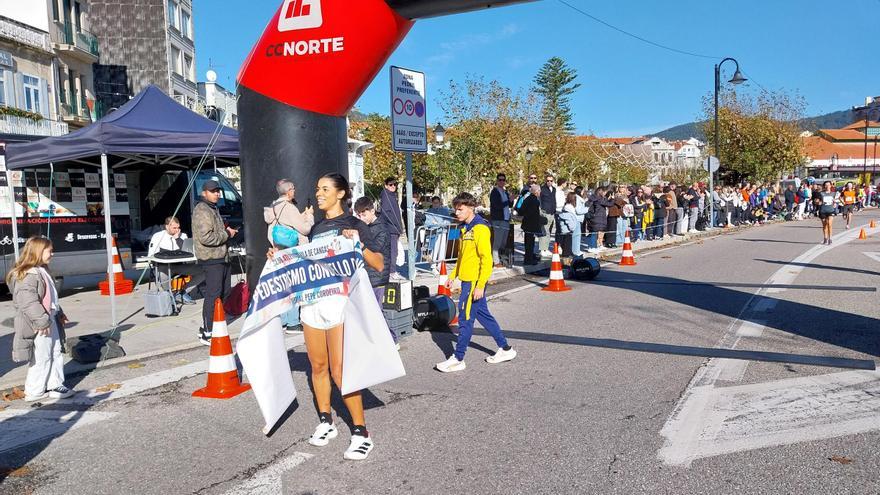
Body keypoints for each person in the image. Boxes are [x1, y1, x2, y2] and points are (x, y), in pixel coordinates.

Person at [298, 173, 386, 461]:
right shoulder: (317, 228)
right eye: (317, 188)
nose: (319, 193)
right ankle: (326, 421)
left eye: (325, 189)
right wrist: (282, 259)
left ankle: (361, 432)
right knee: (318, 365)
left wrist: (358, 244)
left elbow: (378, 262)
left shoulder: (354, 224)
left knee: (340, 370)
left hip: (339, 303)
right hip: (313, 302)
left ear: (341, 193)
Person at [436, 192, 516, 373]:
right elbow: (462, 256)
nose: (457, 213)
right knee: (483, 315)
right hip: (466, 279)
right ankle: (505, 349)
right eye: (455, 209)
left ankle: (458, 358)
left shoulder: (480, 228)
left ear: (471, 208)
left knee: (465, 319)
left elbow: (486, 260)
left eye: (460, 209)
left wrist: (480, 285)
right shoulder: (466, 228)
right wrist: (453, 275)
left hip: (474, 281)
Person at [8, 237, 74, 401]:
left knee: (55, 352)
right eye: (49, 250)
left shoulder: (41, 270)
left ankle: (54, 385)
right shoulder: (29, 274)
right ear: (37, 251)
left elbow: (49, 298)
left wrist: (59, 312)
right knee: (41, 356)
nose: (52, 253)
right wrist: (42, 321)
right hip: (39, 322)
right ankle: (34, 390)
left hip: (48, 318)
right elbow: (28, 302)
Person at [264, 179, 314, 333]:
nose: (295, 191)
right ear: (288, 191)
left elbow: (284, 224)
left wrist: (301, 215)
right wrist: (309, 216)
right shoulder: (289, 207)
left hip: (278, 249)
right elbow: (304, 229)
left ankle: (284, 320)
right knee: (294, 284)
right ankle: (293, 322)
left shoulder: (272, 207)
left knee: (283, 285)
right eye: (293, 188)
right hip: (293, 250)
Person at [192, 179, 237, 346]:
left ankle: (215, 324)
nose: (217, 193)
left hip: (221, 257)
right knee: (213, 294)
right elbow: (206, 237)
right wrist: (227, 234)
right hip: (211, 258)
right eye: (213, 191)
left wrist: (227, 233)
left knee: (224, 292)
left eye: (218, 190)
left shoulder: (213, 208)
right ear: (204, 193)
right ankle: (207, 331)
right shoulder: (202, 210)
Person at [353, 196, 398, 347]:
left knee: (377, 311)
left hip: (378, 276)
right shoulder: (366, 227)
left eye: (363, 214)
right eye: (358, 215)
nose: (360, 218)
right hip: (369, 274)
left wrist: (361, 243)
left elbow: (375, 250)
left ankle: (392, 340)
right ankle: (383, 340)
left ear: (372, 211)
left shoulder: (381, 228)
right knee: (372, 310)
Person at [148, 216, 197, 305]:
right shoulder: (158, 236)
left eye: (178, 228)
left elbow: (187, 252)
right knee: (162, 274)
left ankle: (182, 292)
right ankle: (169, 295)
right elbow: (151, 255)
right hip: (164, 267)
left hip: (180, 266)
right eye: (174, 228)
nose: (177, 230)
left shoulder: (183, 236)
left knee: (204, 270)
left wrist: (177, 239)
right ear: (167, 226)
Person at [378, 177, 403, 278]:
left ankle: (391, 270)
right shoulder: (386, 195)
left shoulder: (392, 195)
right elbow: (386, 212)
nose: (393, 186)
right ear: (386, 185)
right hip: (390, 228)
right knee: (393, 251)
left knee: (393, 250)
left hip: (394, 228)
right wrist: (395, 225)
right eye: (390, 185)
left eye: (394, 184)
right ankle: (391, 271)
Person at [489, 173, 512, 268]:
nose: (502, 181)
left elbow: (509, 205)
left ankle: (502, 259)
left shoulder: (505, 192)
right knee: (497, 242)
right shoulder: (494, 192)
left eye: (503, 180)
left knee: (504, 242)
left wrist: (511, 199)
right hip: (498, 219)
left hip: (506, 219)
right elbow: (497, 205)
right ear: (497, 181)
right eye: (500, 180)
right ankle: (495, 261)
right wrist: (508, 201)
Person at [519, 184, 542, 264]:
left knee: (528, 242)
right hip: (531, 224)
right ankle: (528, 259)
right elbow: (533, 213)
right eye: (539, 191)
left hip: (527, 223)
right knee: (530, 243)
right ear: (536, 192)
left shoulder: (528, 199)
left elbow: (521, 210)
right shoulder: (534, 200)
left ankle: (529, 257)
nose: (540, 192)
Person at [538, 174, 557, 257]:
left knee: (548, 231)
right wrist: (541, 211)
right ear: (545, 181)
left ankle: (546, 248)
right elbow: (539, 200)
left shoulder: (554, 189)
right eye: (548, 180)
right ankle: (542, 249)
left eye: (551, 181)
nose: (549, 182)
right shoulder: (542, 189)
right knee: (544, 231)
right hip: (545, 213)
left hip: (552, 213)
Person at [817, 181, 840, 245]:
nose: (827, 186)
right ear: (824, 186)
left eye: (828, 185)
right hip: (823, 211)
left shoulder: (834, 193)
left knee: (829, 224)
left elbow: (837, 200)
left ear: (830, 186)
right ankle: (825, 238)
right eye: (826, 185)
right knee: (824, 226)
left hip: (831, 210)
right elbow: (817, 201)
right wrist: (818, 202)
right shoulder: (821, 193)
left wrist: (835, 203)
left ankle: (830, 239)